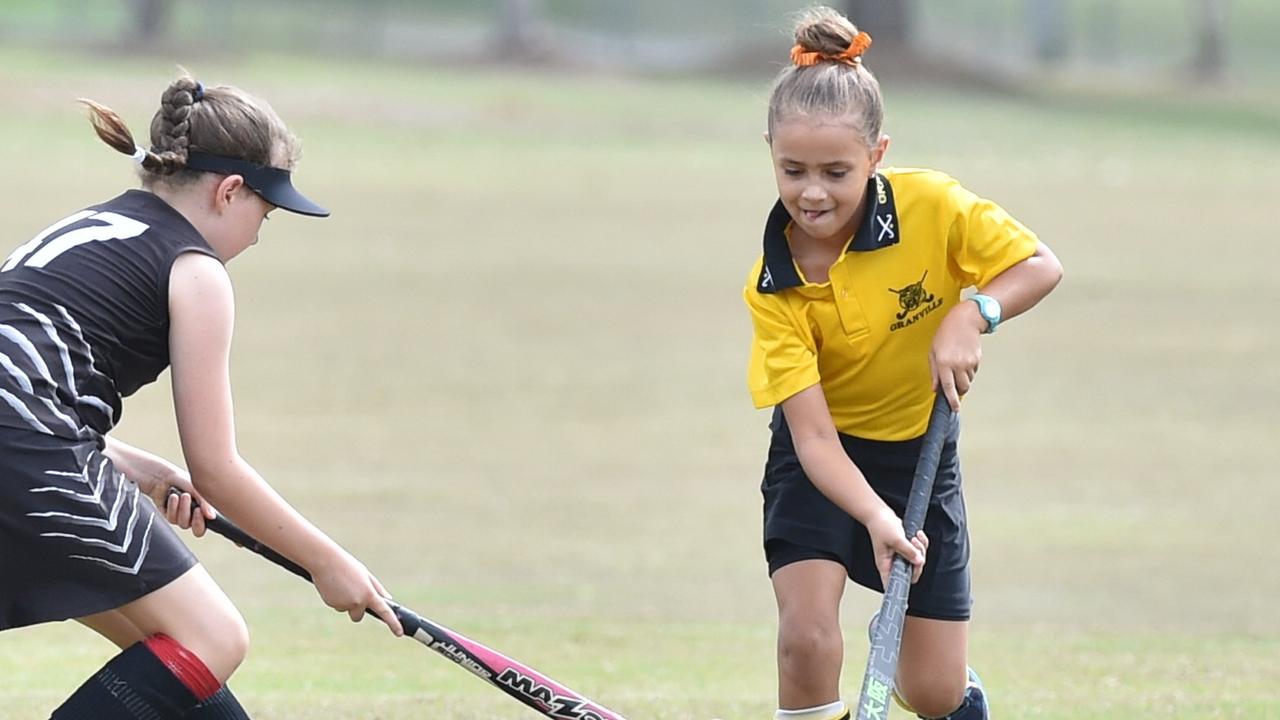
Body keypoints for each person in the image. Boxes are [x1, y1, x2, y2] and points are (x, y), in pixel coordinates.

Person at [0, 73, 403, 720]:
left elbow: (20, 380)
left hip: (27, 447)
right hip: (32, 456)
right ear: (230, 191)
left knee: (172, 663)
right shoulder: (195, 269)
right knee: (214, 638)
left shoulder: (101, 224)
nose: (259, 235)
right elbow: (217, 468)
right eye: (264, 216)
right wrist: (330, 563)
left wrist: (136, 469)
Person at [744, 7, 1063, 720]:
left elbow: (1040, 265)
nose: (813, 192)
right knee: (805, 642)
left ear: (878, 154)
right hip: (821, 462)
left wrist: (972, 313)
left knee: (932, 693)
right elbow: (814, 439)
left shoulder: (933, 205)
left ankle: (959, 694)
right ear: (769, 150)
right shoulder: (772, 285)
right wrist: (876, 519)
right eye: (792, 170)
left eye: (836, 171)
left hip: (919, 450)